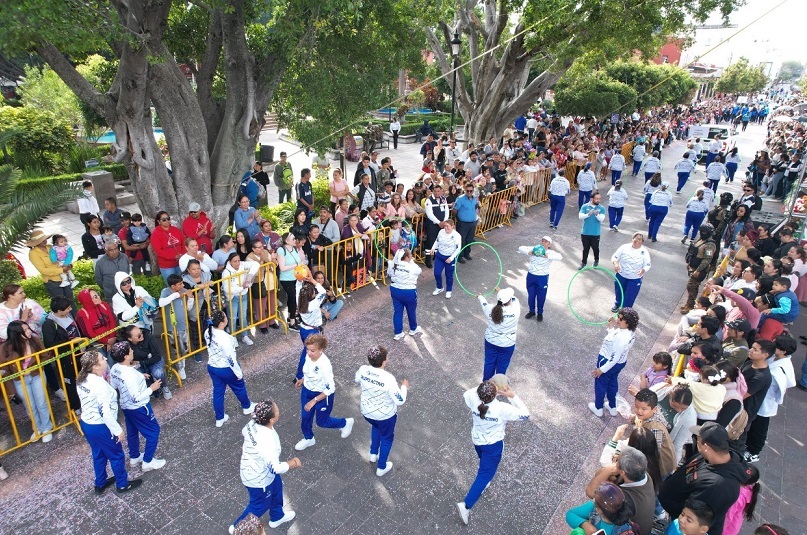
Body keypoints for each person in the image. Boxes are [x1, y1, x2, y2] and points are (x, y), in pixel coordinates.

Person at [456, 380, 529, 525]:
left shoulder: (472, 397)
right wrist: (513, 396)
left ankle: (484, 483)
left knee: (483, 464)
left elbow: (467, 393)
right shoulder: (502, 408)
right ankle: (466, 505)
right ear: (495, 395)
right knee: (485, 474)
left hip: (477, 440)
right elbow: (525, 415)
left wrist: (484, 386)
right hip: (493, 446)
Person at [658, 422, 746, 535]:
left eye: (697, 439)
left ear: (706, 447)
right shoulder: (708, 456)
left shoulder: (718, 486)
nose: (695, 441)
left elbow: (693, 514)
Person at [76, 350, 142, 494]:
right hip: (101, 426)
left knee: (98, 453)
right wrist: (118, 430)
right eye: (102, 358)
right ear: (95, 366)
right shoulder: (100, 387)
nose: (105, 358)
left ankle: (100, 483)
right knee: (116, 455)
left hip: (87, 423)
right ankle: (122, 484)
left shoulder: (82, 379)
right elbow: (105, 414)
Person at [228, 400, 300, 533]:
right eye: (277, 409)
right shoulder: (267, 442)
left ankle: (277, 516)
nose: (278, 408)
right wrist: (293, 463)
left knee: (277, 489)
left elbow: (245, 431)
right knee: (260, 505)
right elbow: (276, 468)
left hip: (261, 471)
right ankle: (238, 527)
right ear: (272, 419)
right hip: (258, 479)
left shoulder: (254, 421)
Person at [108, 341, 165, 472]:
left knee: (132, 431)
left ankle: (135, 456)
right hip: (139, 408)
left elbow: (115, 386)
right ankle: (148, 461)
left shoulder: (115, 368)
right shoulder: (130, 375)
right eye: (130, 350)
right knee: (153, 432)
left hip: (126, 407)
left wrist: (140, 376)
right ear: (126, 356)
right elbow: (136, 397)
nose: (133, 351)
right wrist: (151, 388)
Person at [293, 333, 354, 451]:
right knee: (305, 417)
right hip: (307, 391)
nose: (309, 353)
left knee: (322, 422)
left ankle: (345, 423)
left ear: (321, 350)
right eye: (307, 349)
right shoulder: (308, 356)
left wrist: (314, 401)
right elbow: (310, 372)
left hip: (321, 395)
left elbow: (330, 388)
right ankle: (308, 438)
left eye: (312, 350)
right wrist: (302, 380)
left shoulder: (324, 365)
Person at [355, 346, 409, 476]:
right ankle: (381, 467)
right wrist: (404, 387)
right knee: (387, 438)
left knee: (376, 427)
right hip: (385, 416)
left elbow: (357, 379)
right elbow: (400, 400)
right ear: (385, 361)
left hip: (367, 412)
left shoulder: (363, 369)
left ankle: (373, 453)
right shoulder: (388, 378)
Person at [0, 321, 54, 443]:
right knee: (29, 406)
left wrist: (35, 368)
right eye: (25, 330)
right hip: (19, 380)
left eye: (28, 328)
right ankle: (37, 427)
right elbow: (4, 370)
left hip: (37, 375)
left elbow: (45, 355)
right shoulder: (5, 348)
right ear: (16, 334)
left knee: (41, 402)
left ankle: (46, 427)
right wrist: (11, 391)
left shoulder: (35, 341)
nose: (29, 331)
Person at [745, 335, 796, 463]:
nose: (773, 346)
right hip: (762, 397)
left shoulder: (780, 369)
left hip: (766, 401)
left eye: (776, 345)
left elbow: (784, 385)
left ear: (783, 351)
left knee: (759, 428)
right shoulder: (776, 358)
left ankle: (754, 452)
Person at [584, 445, 655, 535]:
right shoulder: (644, 475)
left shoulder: (624, 498)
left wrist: (610, 469)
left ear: (623, 472)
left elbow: (590, 491)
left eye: (618, 462)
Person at [204, 309, 256, 427]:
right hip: (226, 368)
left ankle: (219, 418)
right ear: (222, 323)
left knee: (218, 393)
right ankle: (247, 406)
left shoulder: (208, 331)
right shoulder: (226, 338)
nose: (227, 318)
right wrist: (238, 373)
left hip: (212, 366)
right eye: (225, 317)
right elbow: (231, 359)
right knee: (239, 387)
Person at [589, 307, 639, 417]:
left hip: (608, 361)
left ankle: (598, 408)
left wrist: (601, 370)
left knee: (600, 384)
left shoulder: (621, 337)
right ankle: (612, 406)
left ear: (628, 323)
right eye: (618, 317)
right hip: (620, 363)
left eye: (621, 319)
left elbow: (614, 357)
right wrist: (611, 327)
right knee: (612, 383)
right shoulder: (629, 333)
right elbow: (614, 339)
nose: (618, 320)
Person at [26, 230, 77, 313]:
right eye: (41, 240)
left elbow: (64, 256)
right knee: (61, 306)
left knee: (71, 303)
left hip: (65, 279)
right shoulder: (33, 253)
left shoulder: (51, 247)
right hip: (53, 282)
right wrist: (61, 270)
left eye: (45, 239)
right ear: (35, 242)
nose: (44, 241)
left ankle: (77, 323)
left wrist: (69, 265)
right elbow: (43, 270)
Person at [478, 288, 520, 380]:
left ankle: (486, 386)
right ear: (509, 300)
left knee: (489, 363)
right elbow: (514, 299)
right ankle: (498, 386)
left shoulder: (490, 309)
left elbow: (484, 304)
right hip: (508, 343)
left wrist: (480, 297)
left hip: (491, 341)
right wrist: (500, 292)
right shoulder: (515, 309)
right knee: (502, 366)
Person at [565, 482, 638, 534]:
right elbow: (570, 514)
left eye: (594, 500)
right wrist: (585, 524)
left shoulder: (625, 531)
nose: (593, 500)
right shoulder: (599, 507)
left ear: (600, 510)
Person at [517, 237, 561, 321]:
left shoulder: (550, 252)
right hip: (531, 276)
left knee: (541, 296)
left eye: (546, 241)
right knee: (531, 295)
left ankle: (540, 313)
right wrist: (529, 252)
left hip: (542, 277)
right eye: (542, 240)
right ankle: (532, 311)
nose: (543, 242)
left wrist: (547, 256)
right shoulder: (535, 248)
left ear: (549, 244)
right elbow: (520, 248)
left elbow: (559, 257)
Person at [293, 275, 327, 382]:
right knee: (308, 353)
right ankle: (301, 376)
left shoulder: (300, 300)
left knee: (307, 351)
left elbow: (298, 287)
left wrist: (299, 280)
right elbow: (323, 292)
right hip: (313, 332)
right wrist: (312, 280)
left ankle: (303, 374)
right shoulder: (313, 304)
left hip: (303, 329)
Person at [124, 325, 172, 401]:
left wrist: (141, 363)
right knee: (136, 377)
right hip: (138, 364)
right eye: (138, 336)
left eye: (141, 332)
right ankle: (149, 389)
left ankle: (164, 386)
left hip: (152, 361)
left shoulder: (149, 337)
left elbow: (157, 356)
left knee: (158, 373)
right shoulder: (126, 344)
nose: (142, 335)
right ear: (130, 338)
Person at [387, 248, 423, 341]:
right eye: (410, 255)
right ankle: (413, 329)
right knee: (411, 311)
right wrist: (412, 262)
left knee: (398, 312)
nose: (411, 256)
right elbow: (419, 270)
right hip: (408, 291)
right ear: (407, 257)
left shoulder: (393, 264)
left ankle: (398, 333)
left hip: (395, 290)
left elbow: (389, 273)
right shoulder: (412, 266)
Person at [681, 224, 717, 314]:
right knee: (691, 286)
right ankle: (689, 304)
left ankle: (690, 305)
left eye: (704, 232)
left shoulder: (710, 245)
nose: (702, 233)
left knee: (692, 286)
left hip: (699, 269)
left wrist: (698, 270)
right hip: (693, 266)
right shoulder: (701, 240)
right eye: (701, 232)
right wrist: (689, 263)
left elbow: (707, 259)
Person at [76, 288, 118, 364]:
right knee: (104, 361)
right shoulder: (82, 313)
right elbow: (89, 333)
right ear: (88, 300)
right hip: (97, 342)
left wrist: (111, 338)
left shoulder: (104, 305)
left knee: (113, 358)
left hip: (111, 338)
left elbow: (112, 321)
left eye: (97, 294)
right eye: (95, 297)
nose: (98, 297)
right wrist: (106, 341)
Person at [611, 233, 651, 312]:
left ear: (642, 241)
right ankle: (617, 304)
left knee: (630, 295)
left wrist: (643, 270)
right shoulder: (624, 247)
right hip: (621, 274)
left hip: (635, 278)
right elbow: (615, 257)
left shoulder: (644, 252)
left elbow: (648, 264)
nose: (637, 241)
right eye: (636, 238)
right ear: (632, 239)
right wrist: (616, 264)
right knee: (619, 291)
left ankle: (626, 311)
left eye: (640, 239)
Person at [276, 232, 305, 331]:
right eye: (293, 239)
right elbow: (282, 267)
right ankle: (292, 322)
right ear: (287, 241)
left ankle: (291, 316)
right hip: (286, 279)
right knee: (292, 298)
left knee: (293, 298)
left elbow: (299, 262)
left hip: (295, 277)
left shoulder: (295, 249)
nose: (295, 240)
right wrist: (295, 265)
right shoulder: (281, 250)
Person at [428, 219, 462, 299]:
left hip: (449, 258)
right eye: (445, 226)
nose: (445, 228)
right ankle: (439, 287)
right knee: (437, 273)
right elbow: (437, 241)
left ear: (452, 226)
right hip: (440, 256)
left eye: (448, 226)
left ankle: (449, 290)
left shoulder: (457, 236)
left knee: (449, 275)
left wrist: (451, 258)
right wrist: (433, 248)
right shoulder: (441, 232)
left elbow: (458, 248)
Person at [722, 465, 760, 535]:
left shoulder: (736, 498)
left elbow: (727, 518)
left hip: (725, 531)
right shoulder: (748, 487)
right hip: (734, 525)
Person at [151, 211, 185, 282]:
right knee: (172, 287)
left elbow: (184, 243)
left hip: (180, 262)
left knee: (182, 284)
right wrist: (174, 256)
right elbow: (159, 251)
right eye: (164, 220)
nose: (167, 221)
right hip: (167, 266)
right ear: (158, 221)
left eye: (168, 219)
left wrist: (182, 254)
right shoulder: (156, 234)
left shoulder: (176, 230)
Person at [423, 185, 450, 269]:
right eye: (435, 191)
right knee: (430, 243)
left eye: (438, 191)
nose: (437, 193)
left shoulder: (443, 199)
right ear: (433, 191)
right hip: (432, 225)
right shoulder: (429, 200)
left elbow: (447, 210)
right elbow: (429, 214)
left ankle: (436, 257)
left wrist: (444, 221)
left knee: (440, 241)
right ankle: (428, 260)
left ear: (441, 191)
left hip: (442, 224)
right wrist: (439, 222)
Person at [578, 190, 606, 269]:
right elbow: (580, 216)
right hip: (585, 232)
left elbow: (601, 219)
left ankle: (596, 260)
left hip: (595, 233)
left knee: (595, 248)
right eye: (596, 199)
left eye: (599, 199)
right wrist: (588, 214)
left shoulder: (601, 208)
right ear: (591, 199)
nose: (598, 200)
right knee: (585, 248)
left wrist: (597, 214)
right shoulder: (585, 206)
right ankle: (583, 263)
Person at [453, 184, 480, 263]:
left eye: (470, 191)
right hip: (463, 223)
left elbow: (475, 207)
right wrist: (458, 219)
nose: (469, 192)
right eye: (467, 190)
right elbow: (454, 210)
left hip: (472, 223)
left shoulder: (474, 199)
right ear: (465, 190)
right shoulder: (460, 199)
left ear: (473, 191)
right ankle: (459, 256)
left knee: (469, 239)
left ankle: (466, 253)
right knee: (461, 240)